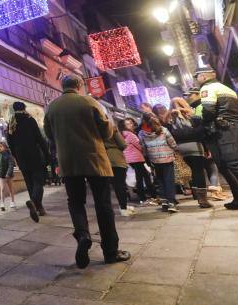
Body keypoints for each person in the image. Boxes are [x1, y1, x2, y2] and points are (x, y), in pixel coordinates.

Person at [44, 75, 129, 269]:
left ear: (62, 86)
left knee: (75, 202)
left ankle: (82, 234)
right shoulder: (89, 101)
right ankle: (110, 251)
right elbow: (107, 132)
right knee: (103, 204)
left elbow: (49, 135)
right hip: (94, 159)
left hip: (68, 162)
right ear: (79, 86)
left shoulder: (53, 107)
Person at [194, 68, 238, 216]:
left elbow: (208, 111)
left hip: (227, 130)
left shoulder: (207, 88)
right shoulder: (227, 88)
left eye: (196, 78)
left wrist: (202, 122)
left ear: (202, 77)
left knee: (234, 164)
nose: (196, 80)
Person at [7, 101, 49, 222]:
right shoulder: (30, 120)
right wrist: (46, 154)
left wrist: (16, 156)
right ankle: (35, 202)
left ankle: (37, 208)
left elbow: (10, 143)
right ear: (24, 108)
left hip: (21, 157)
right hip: (34, 155)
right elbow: (39, 138)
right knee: (38, 181)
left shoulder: (11, 123)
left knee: (29, 182)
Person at [168, 97, 212, 208]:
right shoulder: (194, 118)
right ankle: (203, 200)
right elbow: (202, 133)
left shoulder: (170, 120)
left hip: (181, 148)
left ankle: (196, 195)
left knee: (191, 171)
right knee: (199, 172)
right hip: (195, 146)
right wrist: (207, 149)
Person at [139, 113, 179, 213]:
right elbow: (172, 143)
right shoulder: (163, 130)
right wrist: (175, 149)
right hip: (167, 158)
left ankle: (164, 201)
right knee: (169, 180)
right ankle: (171, 202)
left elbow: (143, 148)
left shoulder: (141, 133)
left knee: (160, 180)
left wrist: (148, 156)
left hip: (154, 160)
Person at [119, 118, 156, 204]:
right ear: (124, 126)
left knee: (140, 177)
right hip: (137, 158)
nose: (131, 125)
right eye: (128, 124)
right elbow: (139, 146)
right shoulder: (131, 135)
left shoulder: (122, 135)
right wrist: (144, 149)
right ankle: (147, 196)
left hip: (129, 159)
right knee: (144, 177)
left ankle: (144, 196)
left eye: (131, 123)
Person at [105, 125, 134, 216]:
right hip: (116, 159)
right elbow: (123, 144)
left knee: (107, 187)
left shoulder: (94, 130)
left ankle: (109, 209)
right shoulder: (111, 128)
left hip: (104, 159)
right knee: (120, 185)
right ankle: (123, 208)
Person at [0, 140, 16, 211]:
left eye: (1, 146)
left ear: (5, 147)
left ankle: (12, 201)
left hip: (9, 175)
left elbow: (11, 165)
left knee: (11, 188)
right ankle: (2, 203)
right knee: (2, 189)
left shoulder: (9, 156)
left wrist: (8, 174)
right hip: (1, 175)